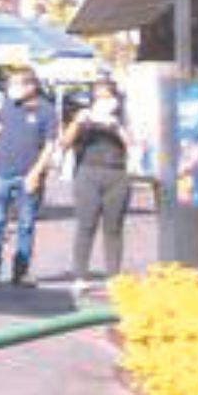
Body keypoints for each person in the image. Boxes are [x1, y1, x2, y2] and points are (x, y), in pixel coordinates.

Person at [0, 70, 59, 287]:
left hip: (28, 174)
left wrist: (36, 173)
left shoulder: (46, 111)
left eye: (16, 84)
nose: (11, 89)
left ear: (31, 86)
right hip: (2, 172)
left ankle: (21, 271)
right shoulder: (6, 106)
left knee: (26, 224)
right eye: (10, 85)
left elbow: (50, 145)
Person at [63, 78, 136, 295]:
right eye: (98, 97)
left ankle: (113, 276)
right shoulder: (84, 118)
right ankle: (80, 276)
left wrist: (117, 127)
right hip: (88, 172)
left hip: (117, 173)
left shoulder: (122, 119)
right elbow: (65, 142)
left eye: (108, 97)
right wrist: (78, 122)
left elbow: (134, 144)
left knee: (114, 227)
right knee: (86, 225)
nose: (103, 102)